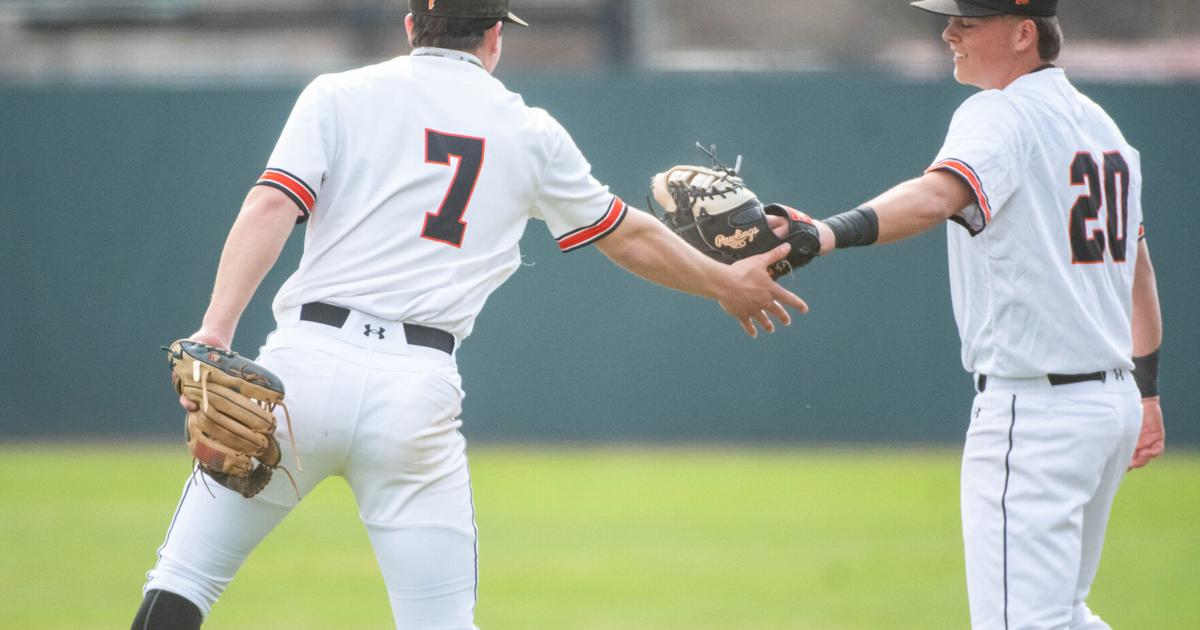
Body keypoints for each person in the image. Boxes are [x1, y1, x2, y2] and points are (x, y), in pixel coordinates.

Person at [129, 1, 808, 628]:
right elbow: (625, 234)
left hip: (303, 372)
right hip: (416, 391)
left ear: (408, 26)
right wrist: (724, 282)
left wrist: (215, 331)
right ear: (494, 37)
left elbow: (270, 206)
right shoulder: (529, 130)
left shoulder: (338, 94)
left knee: (184, 580)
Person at [775, 0, 1165, 627]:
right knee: (1060, 614)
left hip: (1037, 412)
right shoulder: (1104, 129)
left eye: (969, 20)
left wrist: (821, 233)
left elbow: (937, 194)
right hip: (1105, 407)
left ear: (1023, 34)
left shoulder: (999, 111)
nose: (948, 31)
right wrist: (1145, 393)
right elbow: (1137, 271)